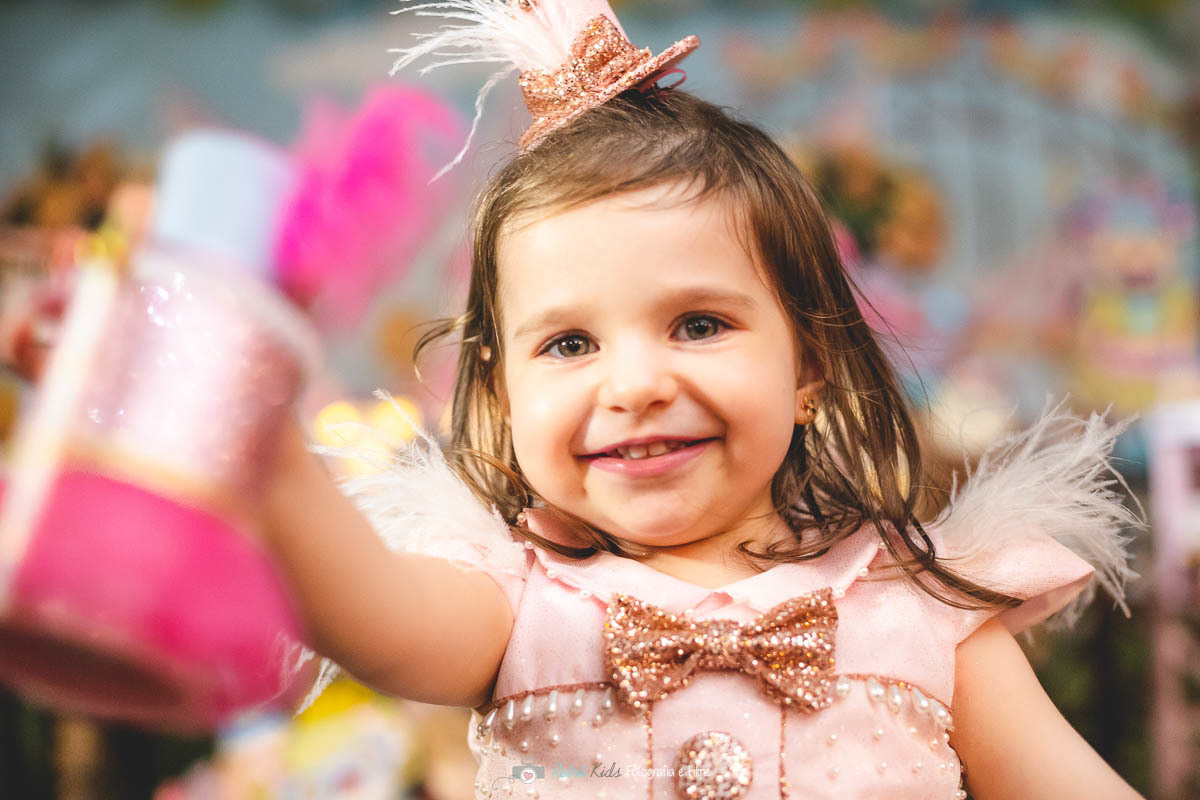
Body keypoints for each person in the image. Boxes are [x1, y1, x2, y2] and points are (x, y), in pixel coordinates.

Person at [259, 2, 1143, 797]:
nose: (638, 385)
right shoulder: (512, 603)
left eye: (698, 325)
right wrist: (265, 456)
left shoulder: (925, 611)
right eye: (569, 344)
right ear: (499, 394)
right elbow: (372, 616)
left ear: (810, 364)